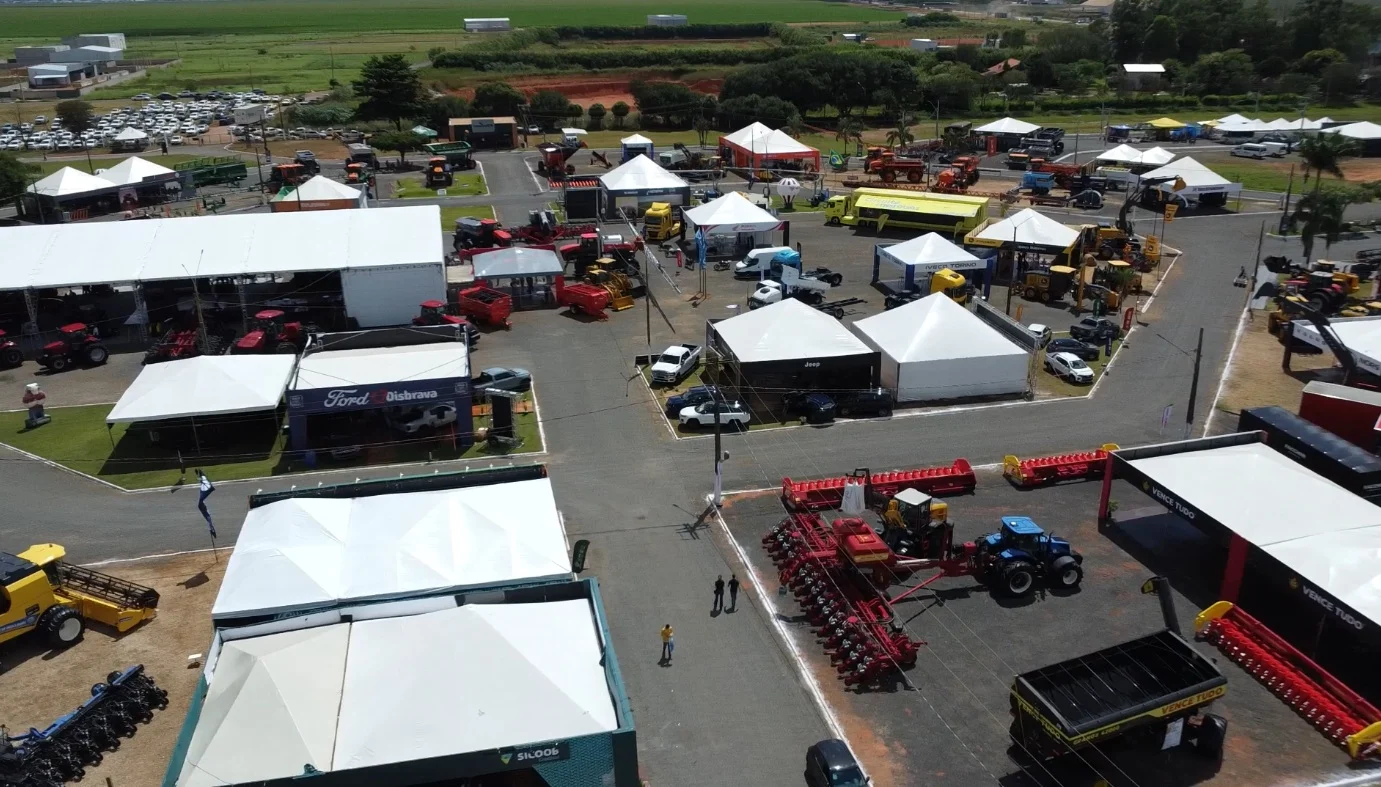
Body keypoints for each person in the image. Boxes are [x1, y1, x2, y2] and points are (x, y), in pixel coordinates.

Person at [196, 470, 216, 538]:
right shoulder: (204, 483)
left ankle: (211, 528)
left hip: (201, 504)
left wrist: (198, 475)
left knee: (208, 517)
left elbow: (200, 479)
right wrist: (198, 475)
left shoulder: (203, 482)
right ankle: (211, 529)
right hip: (201, 504)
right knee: (208, 517)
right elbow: (201, 480)